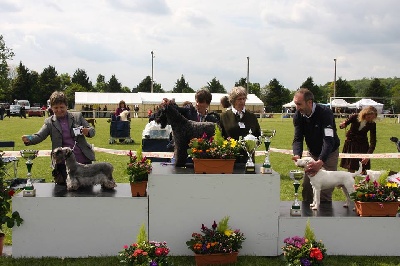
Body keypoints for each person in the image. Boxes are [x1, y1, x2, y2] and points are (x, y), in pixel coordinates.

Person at [21, 91, 95, 185]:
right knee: (65, 192)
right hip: (63, 163)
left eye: (62, 107)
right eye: (56, 108)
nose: (59, 110)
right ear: (51, 108)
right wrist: (29, 139)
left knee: (87, 191)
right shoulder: (49, 122)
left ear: (66, 106)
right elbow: (39, 136)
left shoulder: (77, 116)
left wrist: (88, 131)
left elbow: (92, 131)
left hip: (83, 161)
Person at [291, 88, 340, 202]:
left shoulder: (325, 113)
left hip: (329, 153)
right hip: (312, 154)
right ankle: (307, 218)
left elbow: (328, 140)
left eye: (299, 104)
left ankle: (324, 218)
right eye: (295, 104)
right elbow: (298, 138)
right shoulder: (298, 115)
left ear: (309, 102)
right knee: (308, 188)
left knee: (324, 192)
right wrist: (297, 155)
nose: (297, 108)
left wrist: (321, 161)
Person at [339, 106, 377, 174]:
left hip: (363, 145)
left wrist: (368, 155)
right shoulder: (355, 116)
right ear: (365, 114)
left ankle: (365, 183)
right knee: (351, 167)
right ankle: (350, 183)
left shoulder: (372, 124)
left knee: (364, 167)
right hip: (351, 143)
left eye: (372, 118)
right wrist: (343, 125)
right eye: (369, 117)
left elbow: (373, 141)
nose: (370, 119)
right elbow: (344, 124)